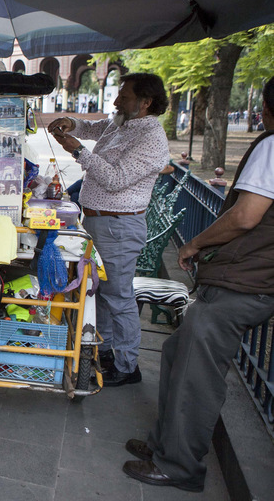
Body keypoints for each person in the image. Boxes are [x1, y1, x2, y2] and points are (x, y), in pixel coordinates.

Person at [121, 76, 274, 493]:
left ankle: (179, 465)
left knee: (195, 376)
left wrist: (195, 243)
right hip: (245, 280)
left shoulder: (271, 146)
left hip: (242, 283)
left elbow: (245, 216)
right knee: (176, 354)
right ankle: (163, 446)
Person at [49, 72, 170, 386]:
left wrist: (79, 151)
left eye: (125, 96)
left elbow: (116, 179)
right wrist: (68, 122)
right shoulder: (122, 124)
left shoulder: (151, 138)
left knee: (118, 295)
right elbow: (92, 127)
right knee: (101, 291)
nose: (116, 101)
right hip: (100, 221)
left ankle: (128, 365)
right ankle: (104, 351)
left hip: (119, 225)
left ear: (145, 102)